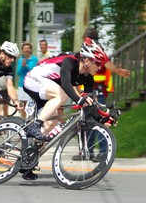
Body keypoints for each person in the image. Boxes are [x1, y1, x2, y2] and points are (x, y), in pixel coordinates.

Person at [21, 37, 108, 180]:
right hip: (34, 79)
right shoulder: (69, 61)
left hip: (47, 89)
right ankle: (35, 125)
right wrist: (79, 99)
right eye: (97, 63)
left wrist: (102, 118)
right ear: (87, 60)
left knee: (51, 123)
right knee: (61, 95)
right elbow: (67, 85)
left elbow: (89, 104)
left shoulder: (88, 78)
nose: (100, 67)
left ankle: (26, 161)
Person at [73, 27, 130, 162]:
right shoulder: (90, 50)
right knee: (87, 121)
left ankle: (103, 152)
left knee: (98, 121)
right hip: (89, 90)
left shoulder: (96, 50)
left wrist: (117, 71)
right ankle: (88, 151)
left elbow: (106, 63)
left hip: (96, 91)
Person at [16, 42, 38, 118]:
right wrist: (22, 66)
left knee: (31, 104)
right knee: (22, 104)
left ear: (30, 49)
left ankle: (31, 119)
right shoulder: (20, 60)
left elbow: (33, 70)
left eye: (28, 48)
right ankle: (22, 120)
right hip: (22, 85)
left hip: (32, 85)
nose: (26, 50)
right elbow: (18, 73)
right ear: (22, 50)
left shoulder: (34, 59)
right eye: (25, 48)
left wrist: (27, 66)